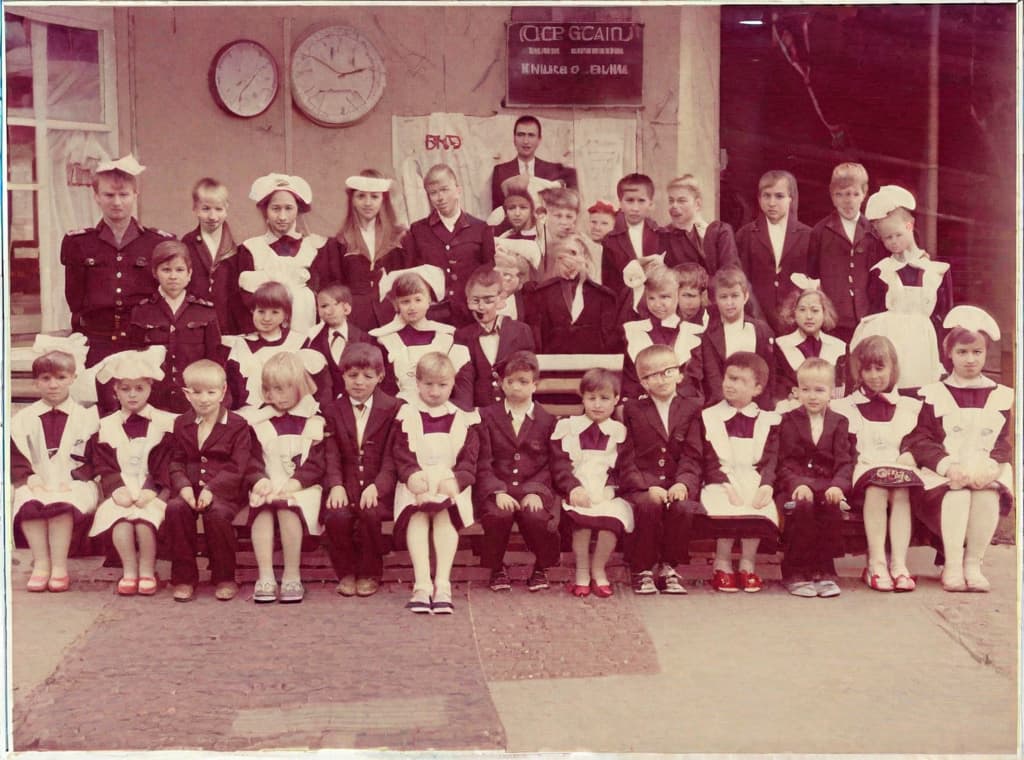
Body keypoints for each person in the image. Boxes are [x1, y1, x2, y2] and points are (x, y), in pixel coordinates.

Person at [906, 306, 1013, 592]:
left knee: (987, 494)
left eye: (977, 352)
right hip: (943, 474)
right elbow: (921, 438)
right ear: (949, 353)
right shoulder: (935, 393)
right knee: (958, 494)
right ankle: (952, 564)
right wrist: (947, 466)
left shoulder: (999, 395)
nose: (970, 359)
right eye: (962, 352)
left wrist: (991, 466)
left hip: (982, 469)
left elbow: (1003, 442)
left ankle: (973, 564)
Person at [59, 155, 174, 412]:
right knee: (102, 416)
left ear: (135, 194)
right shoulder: (78, 243)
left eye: (124, 194)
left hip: (142, 343)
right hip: (99, 343)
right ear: (96, 196)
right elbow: (75, 298)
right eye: (109, 195)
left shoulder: (157, 242)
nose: (117, 202)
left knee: (146, 415)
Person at [831, 336, 934, 592]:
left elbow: (917, 441)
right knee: (877, 487)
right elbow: (845, 450)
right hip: (863, 473)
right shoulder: (845, 407)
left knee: (899, 490)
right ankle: (876, 562)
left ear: (893, 368)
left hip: (900, 473)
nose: (874, 375)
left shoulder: (910, 406)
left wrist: (910, 453)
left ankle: (898, 564)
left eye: (880, 368)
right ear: (859, 371)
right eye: (868, 369)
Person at [391, 352, 480, 614]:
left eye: (442, 385)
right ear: (417, 383)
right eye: (428, 384)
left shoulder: (463, 418)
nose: (434, 391)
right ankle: (421, 584)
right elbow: (400, 452)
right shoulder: (406, 415)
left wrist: (457, 481)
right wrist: (410, 475)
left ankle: (442, 582)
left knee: (444, 516)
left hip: (449, 482)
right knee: (418, 516)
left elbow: (469, 460)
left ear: (452, 384)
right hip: (415, 482)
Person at [87, 348, 177, 596]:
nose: (132, 395)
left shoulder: (164, 423)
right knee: (122, 521)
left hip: (155, 489)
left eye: (139, 388)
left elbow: (167, 460)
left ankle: (147, 570)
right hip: (122, 489)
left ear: (150, 387)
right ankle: (129, 571)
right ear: (115, 390)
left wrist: (152, 490)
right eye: (125, 389)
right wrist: (116, 488)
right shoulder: (106, 425)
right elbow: (104, 463)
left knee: (144, 521)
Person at [163, 359, 253, 603]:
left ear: (223, 391)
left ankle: (224, 576)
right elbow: (176, 460)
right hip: (190, 489)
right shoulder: (181, 423)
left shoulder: (237, 425)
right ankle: (183, 577)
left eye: (211, 392)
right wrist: (182, 487)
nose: (204, 399)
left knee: (217, 514)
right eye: (197, 392)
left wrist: (213, 488)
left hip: (225, 490)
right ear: (186, 394)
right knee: (175, 509)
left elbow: (238, 465)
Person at [10, 350, 100, 592]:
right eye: (46, 379)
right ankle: (40, 564)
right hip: (37, 479)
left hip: (74, 481)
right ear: (35, 382)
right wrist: (29, 477)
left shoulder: (87, 417)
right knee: (29, 502)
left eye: (60, 377)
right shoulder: (23, 418)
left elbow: (96, 457)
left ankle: (59, 566)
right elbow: (15, 456)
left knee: (63, 504)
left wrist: (75, 478)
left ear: (72, 378)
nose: (53, 385)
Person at [242, 353, 327, 604]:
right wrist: (260, 480)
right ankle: (265, 575)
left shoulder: (313, 419)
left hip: (302, 486)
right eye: (270, 390)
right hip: (269, 482)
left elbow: (317, 462)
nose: (275, 396)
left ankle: (292, 574)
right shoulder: (258, 422)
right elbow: (250, 459)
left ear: (299, 386)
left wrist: (295, 483)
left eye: (283, 388)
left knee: (287, 507)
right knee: (263, 508)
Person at [619, 345, 703, 596]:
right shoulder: (632, 410)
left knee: (683, 506)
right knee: (648, 505)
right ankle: (642, 568)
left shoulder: (692, 408)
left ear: (679, 374)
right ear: (643, 382)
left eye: (668, 371)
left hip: (676, 480)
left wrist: (684, 483)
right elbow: (627, 457)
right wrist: (645, 485)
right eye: (652, 375)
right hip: (643, 484)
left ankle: (669, 566)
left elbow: (693, 455)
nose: (662, 378)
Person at [475, 351, 561, 593]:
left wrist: (535, 491)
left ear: (535, 385)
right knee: (497, 515)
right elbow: (482, 461)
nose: (515, 387)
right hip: (499, 488)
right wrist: (496, 491)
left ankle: (542, 566)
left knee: (537, 517)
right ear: (501, 383)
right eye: (509, 381)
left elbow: (550, 464)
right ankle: (496, 568)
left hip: (531, 488)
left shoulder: (548, 420)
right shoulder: (487, 416)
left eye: (523, 382)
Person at [321, 343, 402, 598]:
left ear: (380, 377)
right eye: (352, 375)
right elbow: (331, 452)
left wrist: (379, 486)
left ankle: (370, 571)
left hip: (379, 484)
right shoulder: (332, 409)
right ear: (342, 375)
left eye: (368, 376)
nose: (359, 382)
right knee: (336, 515)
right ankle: (345, 571)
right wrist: (335, 484)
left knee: (371, 513)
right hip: (345, 484)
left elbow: (392, 456)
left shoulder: (393, 408)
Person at [854, 185, 953, 389]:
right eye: (887, 238)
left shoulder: (935, 271)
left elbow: (944, 314)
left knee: (924, 388)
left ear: (910, 225)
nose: (893, 242)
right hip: (893, 342)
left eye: (898, 235)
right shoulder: (882, 271)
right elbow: (876, 312)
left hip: (924, 341)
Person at [698, 351, 782, 593]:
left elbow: (771, 459)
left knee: (755, 503)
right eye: (729, 378)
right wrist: (724, 484)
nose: (731, 384)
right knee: (727, 505)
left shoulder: (768, 420)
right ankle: (722, 562)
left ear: (757, 389)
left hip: (753, 478)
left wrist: (767, 484)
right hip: (720, 478)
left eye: (740, 381)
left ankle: (748, 561)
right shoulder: (709, 416)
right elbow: (708, 458)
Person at [775, 358, 854, 598]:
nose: (812, 396)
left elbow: (844, 462)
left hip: (827, 485)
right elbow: (783, 462)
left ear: (831, 393)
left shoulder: (839, 422)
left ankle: (824, 569)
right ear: (796, 392)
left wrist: (839, 486)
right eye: (806, 390)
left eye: (819, 390)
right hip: (793, 488)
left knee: (830, 504)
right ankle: (795, 571)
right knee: (802, 505)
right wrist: (798, 484)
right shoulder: (788, 420)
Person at [551, 369, 632, 598]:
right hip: (577, 489)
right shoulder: (568, 427)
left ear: (616, 400)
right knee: (582, 523)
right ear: (582, 398)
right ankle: (582, 571)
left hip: (606, 491)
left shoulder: (620, 432)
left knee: (611, 522)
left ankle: (598, 569)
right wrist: (572, 488)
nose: (597, 404)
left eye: (604, 398)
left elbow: (624, 467)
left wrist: (611, 489)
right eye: (591, 398)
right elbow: (559, 464)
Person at [129, 240, 222, 413]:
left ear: (189, 273)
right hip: (153, 401)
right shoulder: (142, 311)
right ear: (155, 273)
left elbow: (214, 362)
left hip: (194, 401)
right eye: (166, 270)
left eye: (179, 270)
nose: (173, 276)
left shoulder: (205, 312)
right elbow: (134, 361)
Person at [311, 170, 406, 332]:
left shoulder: (400, 238)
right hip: (355, 318)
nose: (368, 203)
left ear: (384, 200)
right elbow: (333, 288)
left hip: (394, 315)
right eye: (361, 196)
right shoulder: (339, 243)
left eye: (374, 197)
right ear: (352, 200)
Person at [403, 164, 495, 327]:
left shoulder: (481, 228)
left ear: (458, 190)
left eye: (445, 190)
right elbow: (412, 274)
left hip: (471, 315)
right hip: (433, 316)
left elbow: (488, 274)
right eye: (433, 193)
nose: (440, 197)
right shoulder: (418, 230)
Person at [236, 173, 325, 335]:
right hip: (263, 337)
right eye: (275, 209)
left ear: (298, 210)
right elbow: (243, 303)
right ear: (265, 211)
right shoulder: (250, 249)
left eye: (289, 208)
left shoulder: (313, 249)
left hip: (305, 331)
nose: (282, 216)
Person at [806, 163, 883, 343]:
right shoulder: (820, 231)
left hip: (867, 317)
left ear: (864, 194)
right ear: (832, 196)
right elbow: (812, 273)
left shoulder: (874, 231)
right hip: (834, 319)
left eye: (854, 194)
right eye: (840, 195)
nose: (848, 201)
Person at [368, 267, 470, 401]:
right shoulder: (385, 339)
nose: (412, 307)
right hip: (403, 407)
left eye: (418, 300)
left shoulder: (446, 336)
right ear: (396, 304)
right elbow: (385, 387)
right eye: (405, 301)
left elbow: (458, 382)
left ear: (429, 301)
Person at [735, 170, 812, 335]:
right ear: (759, 198)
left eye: (779, 196)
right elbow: (741, 279)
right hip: (756, 319)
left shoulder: (808, 235)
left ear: (791, 198)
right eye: (766, 196)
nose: (771, 203)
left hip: (796, 320)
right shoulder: (746, 234)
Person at [452, 266, 535, 410]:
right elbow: (464, 383)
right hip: (479, 414)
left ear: (501, 300)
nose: (481, 307)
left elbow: (527, 375)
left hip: (513, 410)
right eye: (475, 301)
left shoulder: (521, 331)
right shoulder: (462, 336)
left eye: (488, 300)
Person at [223, 282, 314, 411]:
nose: (266, 318)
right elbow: (234, 387)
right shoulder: (241, 344)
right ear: (252, 311)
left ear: (286, 315)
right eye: (261, 311)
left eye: (275, 312)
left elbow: (307, 387)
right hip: (252, 412)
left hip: (292, 411)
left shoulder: (299, 342)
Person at [620, 265, 703, 402]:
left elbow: (694, 379)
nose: (657, 304)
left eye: (664, 297)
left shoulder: (694, 333)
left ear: (677, 296)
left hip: (683, 404)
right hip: (644, 404)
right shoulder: (634, 332)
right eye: (651, 298)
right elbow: (631, 379)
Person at [525, 234, 619, 354]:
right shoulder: (541, 294)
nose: (569, 259)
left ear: (584, 256)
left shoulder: (605, 297)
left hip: (592, 367)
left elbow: (610, 343)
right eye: (563, 255)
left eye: (573, 253)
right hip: (553, 368)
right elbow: (537, 342)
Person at [700, 266, 775, 409]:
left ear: (745, 296)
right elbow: (713, 377)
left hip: (757, 404)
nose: (729, 303)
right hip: (721, 405)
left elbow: (769, 372)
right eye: (723, 297)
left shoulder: (761, 330)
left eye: (735, 296)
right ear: (715, 299)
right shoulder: (709, 334)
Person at [180, 177, 244, 335]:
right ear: (195, 208)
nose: (212, 216)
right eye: (206, 209)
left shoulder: (237, 245)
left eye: (219, 209)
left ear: (227, 208)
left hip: (228, 320)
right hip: (195, 318)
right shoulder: (187, 242)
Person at [772, 279, 847, 407]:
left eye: (815, 310)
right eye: (802, 310)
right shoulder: (781, 346)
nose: (809, 316)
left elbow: (842, 390)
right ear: (793, 312)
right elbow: (778, 389)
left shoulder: (839, 347)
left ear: (824, 313)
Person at [302, 282, 374, 402]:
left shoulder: (364, 339)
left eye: (335, 304)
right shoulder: (315, 342)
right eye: (324, 306)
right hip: (328, 404)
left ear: (346, 308)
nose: (329, 311)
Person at [490, 114, 578, 209]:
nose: (526, 141)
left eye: (531, 135)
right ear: (514, 139)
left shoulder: (553, 170)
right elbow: (497, 210)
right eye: (521, 135)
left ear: (539, 140)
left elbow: (571, 202)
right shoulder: (500, 171)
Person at [660, 174, 740, 276]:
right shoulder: (664, 236)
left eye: (681, 201)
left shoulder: (721, 232)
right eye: (671, 201)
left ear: (697, 204)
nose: (674, 206)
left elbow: (730, 275)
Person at [601, 173, 663, 295]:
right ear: (620, 203)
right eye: (629, 201)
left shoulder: (660, 234)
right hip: (624, 307)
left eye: (641, 201)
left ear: (650, 204)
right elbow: (609, 284)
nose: (635, 208)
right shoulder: (610, 241)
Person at [674, 261, 710, 328]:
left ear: (703, 295)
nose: (690, 303)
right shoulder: (669, 318)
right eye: (685, 296)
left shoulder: (708, 320)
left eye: (693, 296)